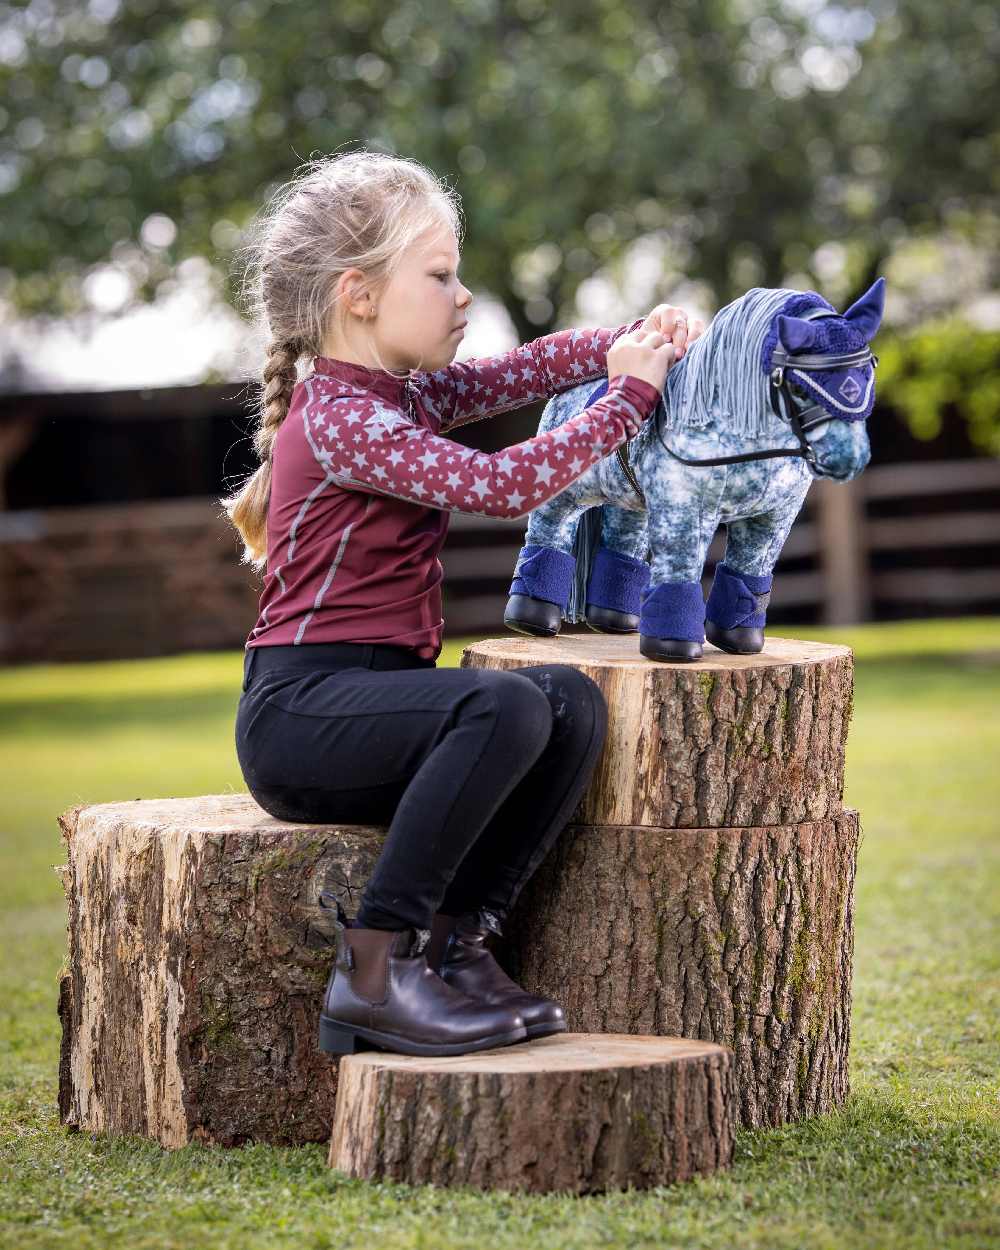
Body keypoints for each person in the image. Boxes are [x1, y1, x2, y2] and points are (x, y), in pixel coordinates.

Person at [222, 148, 703, 1059]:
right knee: (506, 702)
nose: (463, 295)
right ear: (358, 293)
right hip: (301, 715)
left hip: (371, 702)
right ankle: (372, 973)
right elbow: (499, 483)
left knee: (569, 704)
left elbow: (513, 375)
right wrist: (629, 397)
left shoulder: (397, 396)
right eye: (440, 275)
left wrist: (627, 342)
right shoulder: (340, 416)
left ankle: (456, 945)